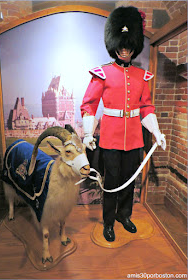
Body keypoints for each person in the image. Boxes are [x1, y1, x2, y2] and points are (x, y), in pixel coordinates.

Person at [80, 6, 166, 242]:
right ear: (114, 44)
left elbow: (146, 107)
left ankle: (124, 215)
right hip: (110, 137)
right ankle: (108, 221)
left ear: (134, 45)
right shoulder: (103, 73)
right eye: (121, 44)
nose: (125, 49)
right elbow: (89, 105)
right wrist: (89, 133)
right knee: (112, 182)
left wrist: (156, 131)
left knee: (130, 179)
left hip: (135, 138)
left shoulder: (142, 76)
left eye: (128, 45)